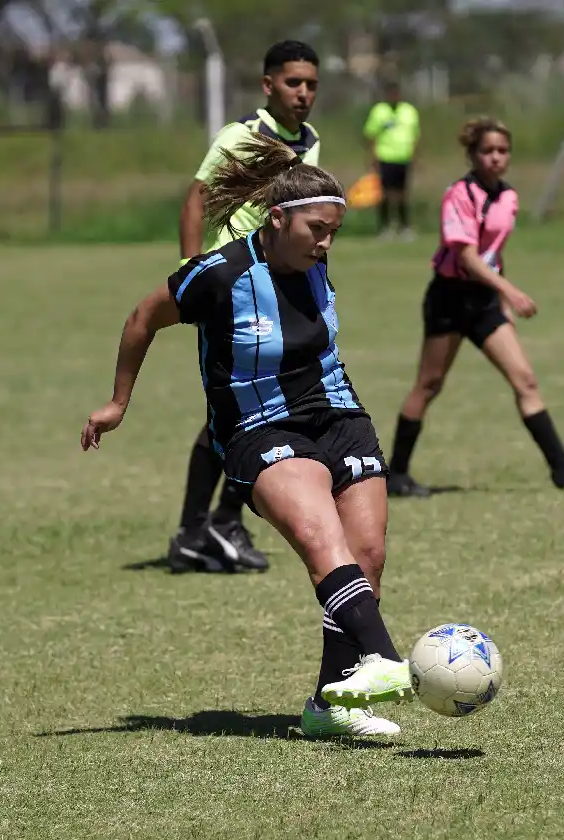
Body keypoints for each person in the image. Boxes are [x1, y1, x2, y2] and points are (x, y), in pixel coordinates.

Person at [82, 134, 413, 738]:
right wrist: (118, 402)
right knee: (320, 539)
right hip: (257, 427)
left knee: (367, 556)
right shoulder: (218, 274)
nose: (326, 241)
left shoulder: (315, 257)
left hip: (339, 414)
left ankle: (329, 708)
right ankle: (384, 658)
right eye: (317, 228)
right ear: (278, 219)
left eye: (334, 230)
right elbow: (140, 319)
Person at [385, 117, 564, 498]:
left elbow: (493, 254)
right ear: (472, 155)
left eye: (502, 151)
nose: (495, 158)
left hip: (484, 300)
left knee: (525, 380)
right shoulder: (459, 194)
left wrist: (501, 300)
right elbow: (468, 257)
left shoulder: (509, 197)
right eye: (487, 151)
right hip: (450, 297)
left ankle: (561, 466)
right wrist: (513, 292)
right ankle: (397, 475)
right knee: (429, 384)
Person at [169, 40, 322, 574]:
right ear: (268, 85)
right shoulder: (241, 136)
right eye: (293, 82)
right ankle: (210, 526)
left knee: (252, 409)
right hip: (230, 286)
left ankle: (208, 527)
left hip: (278, 288)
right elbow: (196, 199)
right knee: (238, 411)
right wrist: (193, 271)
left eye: (310, 85)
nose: (302, 94)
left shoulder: (308, 142)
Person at [363, 80, 421, 241]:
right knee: (385, 194)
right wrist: (372, 156)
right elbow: (370, 135)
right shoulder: (379, 111)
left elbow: (415, 135)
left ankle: (405, 228)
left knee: (403, 194)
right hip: (385, 157)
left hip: (404, 157)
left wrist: (416, 156)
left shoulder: (409, 111)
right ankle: (385, 228)